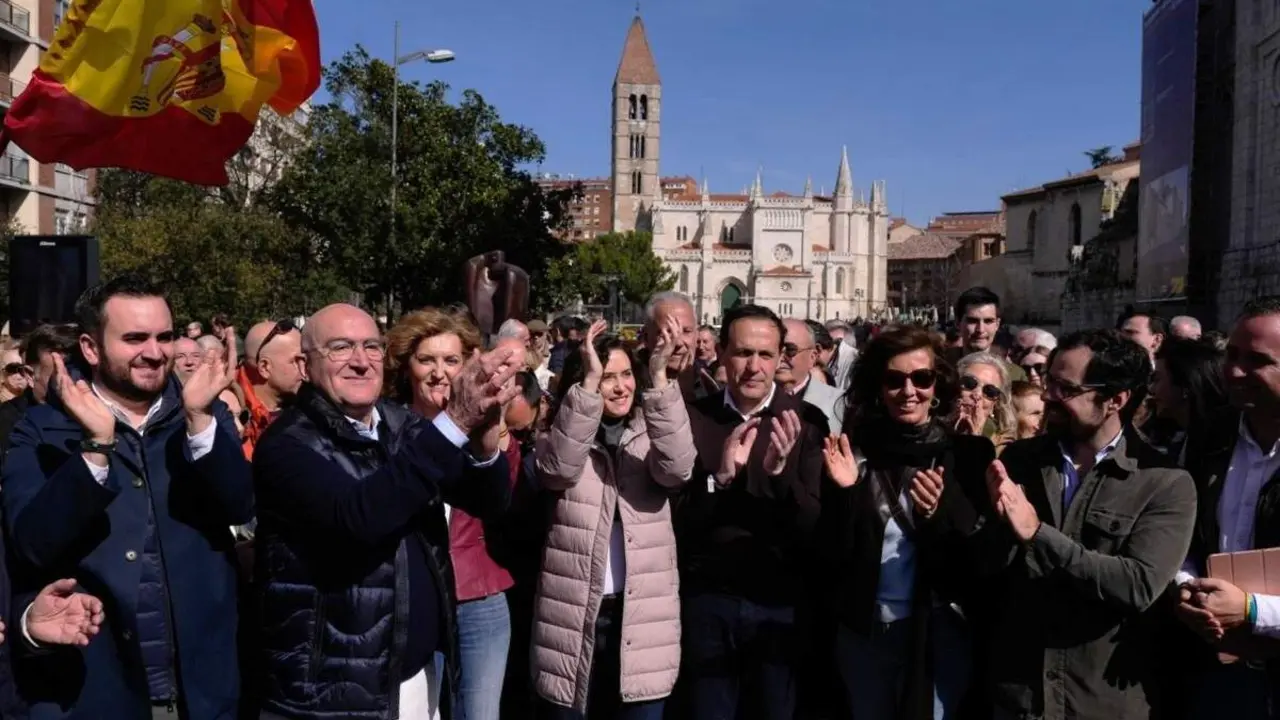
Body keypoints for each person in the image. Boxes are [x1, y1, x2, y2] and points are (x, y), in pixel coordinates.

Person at [2, 275, 254, 719]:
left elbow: (240, 505)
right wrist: (96, 449)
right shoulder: (42, 430)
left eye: (165, 337)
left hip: (203, 689)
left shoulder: (201, 409)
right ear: (91, 348)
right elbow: (32, 545)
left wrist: (199, 421)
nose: (154, 353)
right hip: (95, 691)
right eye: (134, 338)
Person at [252, 303, 518, 720]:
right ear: (304, 365)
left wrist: (484, 441)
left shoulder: (400, 423)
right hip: (332, 693)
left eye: (371, 347)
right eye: (340, 348)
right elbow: (360, 517)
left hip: (415, 677)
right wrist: (457, 419)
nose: (360, 361)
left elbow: (487, 502)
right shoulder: (286, 445)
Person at [980, 329, 1196, 720]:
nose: (1047, 396)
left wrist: (1037, 534)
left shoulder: (1163, 482)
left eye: (1065, 388)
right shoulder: (1021, 462)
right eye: (1048, 382)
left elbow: (1137, 585)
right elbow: (989, 576)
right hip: (1020, 695)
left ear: (1115, 399)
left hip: (1100, 701)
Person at [820, 325, 994, 720]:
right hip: (866, 629)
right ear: (879, 387)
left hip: (939, 628)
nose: (908, 391)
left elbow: (979, 552)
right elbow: (830, 552)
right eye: (894, 380)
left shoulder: (966, 454)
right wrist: (844, 493)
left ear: (938, 385)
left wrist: (939, 514)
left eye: (922, 378)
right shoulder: (855, 450)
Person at [532, 317, 695, 718]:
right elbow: (558, 471)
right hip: (575, 614)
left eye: (626, 375)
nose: (620, 387)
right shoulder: (558, 434)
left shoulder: (649, 429)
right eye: (607, 377)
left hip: (641, 618)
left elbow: (678, 469)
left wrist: (658, 379)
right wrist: (587, 388)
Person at [677, 304, 825, 720]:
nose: (754, 367)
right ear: (722, 353)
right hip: (710, 601)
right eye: (743, 353)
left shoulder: (807, 423)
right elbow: (678, 519)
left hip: (780, 604)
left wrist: (779, 477)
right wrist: (719, 479)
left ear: (782, 357)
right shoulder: (695, 419)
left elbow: (813, 525)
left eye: (765, 354)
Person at [383, 308, 519, 720]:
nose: (439, 372)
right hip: (415, 599)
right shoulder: (386, 430)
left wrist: (491, 438)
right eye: (427, 360)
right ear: (406, 367)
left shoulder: (490, 430)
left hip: (478, 597)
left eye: (451, 360)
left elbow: (501, 500)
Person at [0, 323, 78, 462]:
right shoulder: (9, 421)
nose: (76, 384)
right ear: (30, 375)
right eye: (58, 376)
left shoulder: (106, 415)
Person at [950, 287, 1026, 382]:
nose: (980, 329)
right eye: (972, 321)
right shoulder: (940, 371)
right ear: (958, 323)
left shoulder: (1014, 376)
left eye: (988, 321)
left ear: (997, 324)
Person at [952, 352, 1017, 454]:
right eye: (969, 383)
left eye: (990, 391)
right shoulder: (934, 426)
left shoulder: (1003, 444)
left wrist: (976, 437)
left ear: (995, 404)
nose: (977, 395)